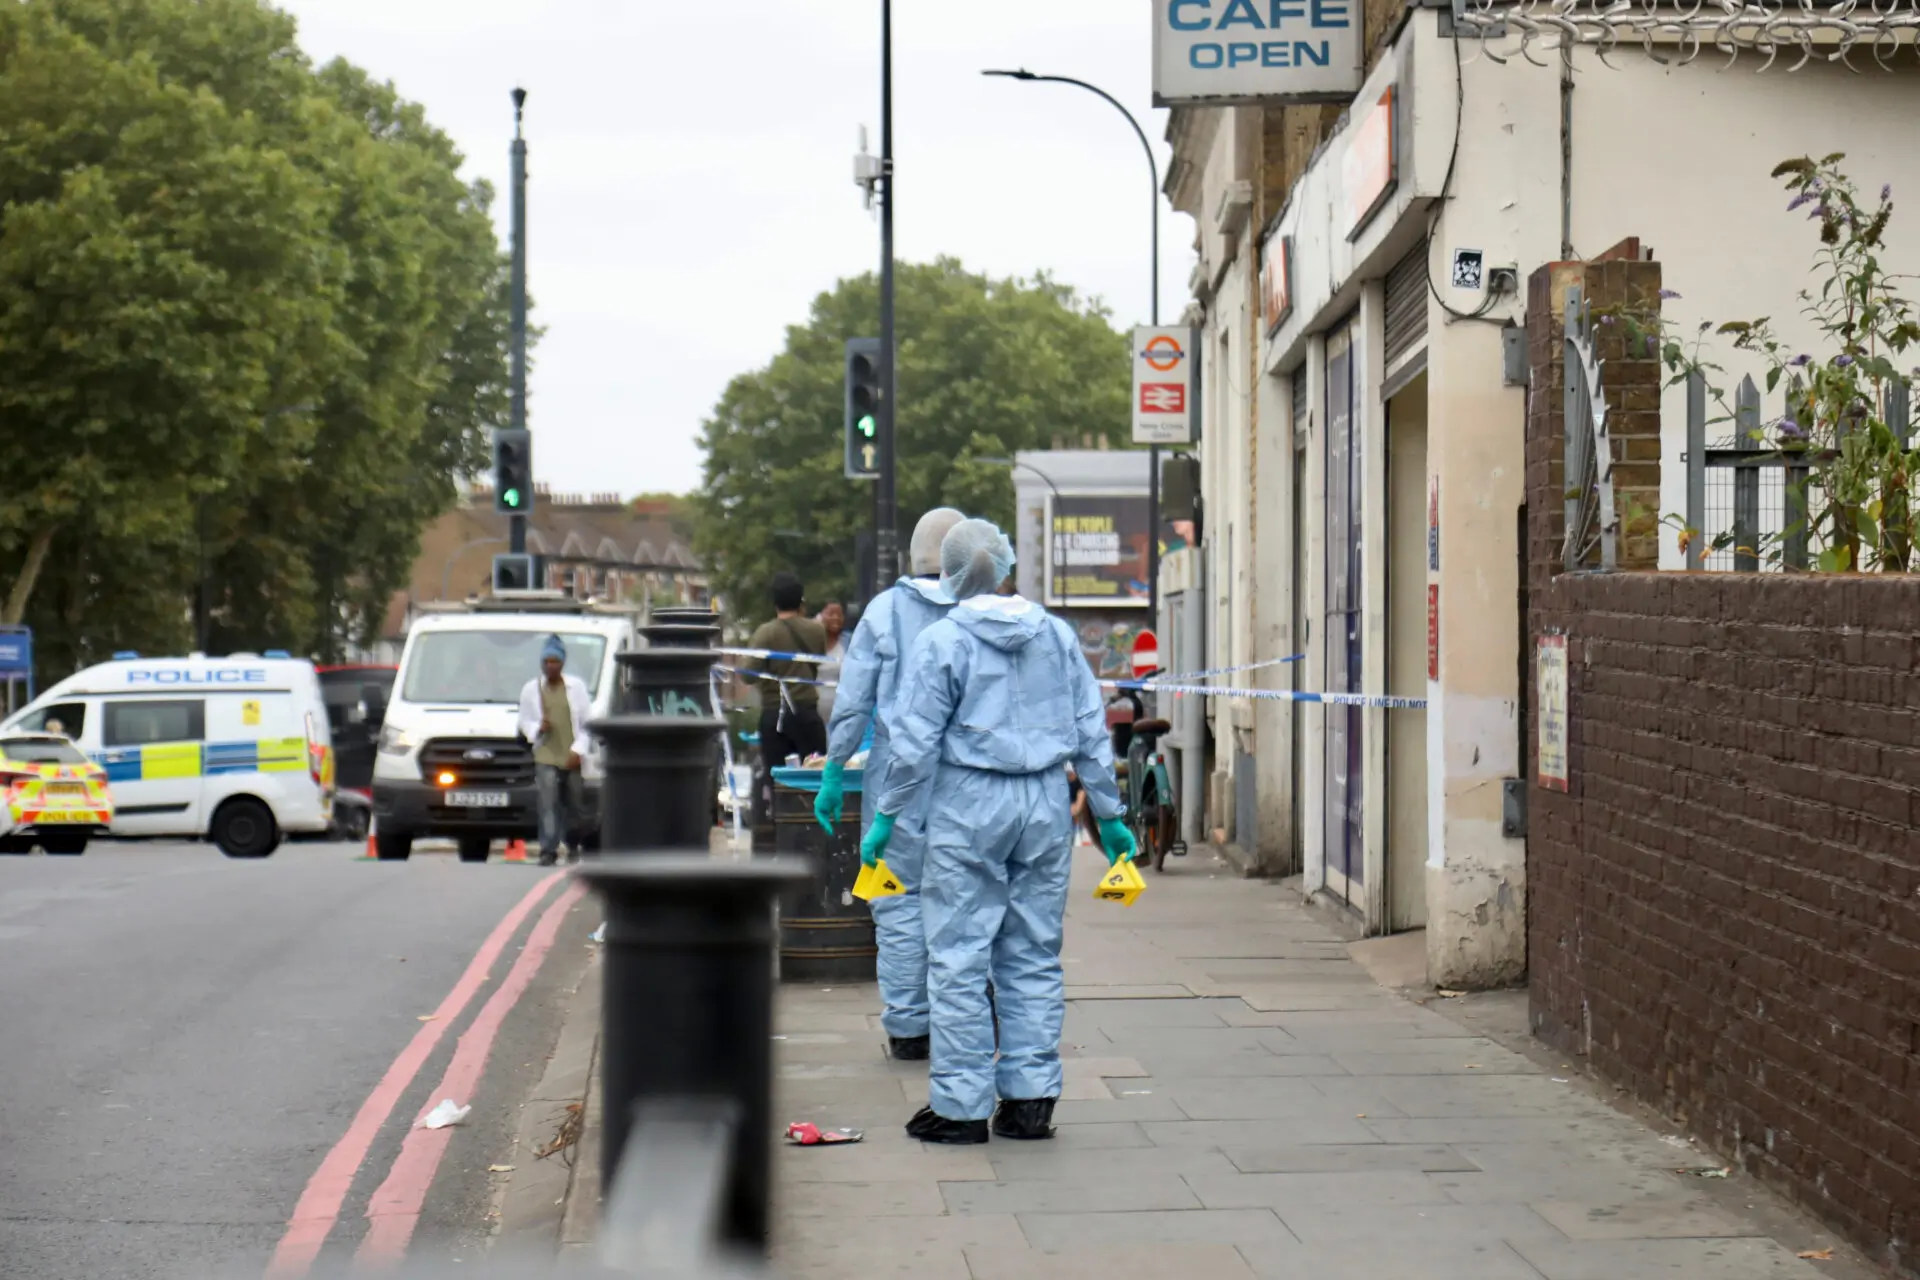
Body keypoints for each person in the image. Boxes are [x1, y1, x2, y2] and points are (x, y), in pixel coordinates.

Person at [863, 519, 1135, 1144]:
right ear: (1007, 563)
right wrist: (1111, 816)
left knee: (959, 955)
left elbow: (914, 746)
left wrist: (885, 820)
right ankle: (1030, 1100)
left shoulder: (941, 642)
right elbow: (1092, 729)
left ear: (950, 575)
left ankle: (959, 1107)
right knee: (1033, 952)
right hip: (1044, 799)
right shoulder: (1057, 636)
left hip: (968, 802)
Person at [813, 508, 966, 1062]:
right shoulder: (984, 613)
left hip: (895, 786)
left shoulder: (884, 612)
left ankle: (908, 1028)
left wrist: (834, 770)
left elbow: (852, 705)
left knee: (897, 902)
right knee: (964, 901)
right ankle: (964, 1019)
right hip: (970, 783)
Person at [746, 572, 829, 783]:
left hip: (775, 716)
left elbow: (748, 675)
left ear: (774, 601)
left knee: (777, 782)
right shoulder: (816, 630)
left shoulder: (765, 633)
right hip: (808, 715)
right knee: (814, 776)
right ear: (801, 600)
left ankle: (778, 814)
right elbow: (818, 660)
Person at [517, 635, 591, 867]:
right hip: (546, 753)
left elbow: (588, 723)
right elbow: (524, 721)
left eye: (555, 661)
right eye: (547, 661)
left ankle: (573, 844)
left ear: (562, 663)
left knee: (574, 804)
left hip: (571, 753)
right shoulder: (531, 689)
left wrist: (579, 750)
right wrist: (539, 727)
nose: (551, 666)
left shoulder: (576, 687)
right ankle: (548, 850)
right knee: (547, 803)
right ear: (541, 664)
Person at [815, 600, 848, 722]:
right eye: (831, 613)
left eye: (839, 614)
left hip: (841, 712)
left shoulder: (850, 642)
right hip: (813, 711)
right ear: (821, 615)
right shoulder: (811, 641)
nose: (836, 618)